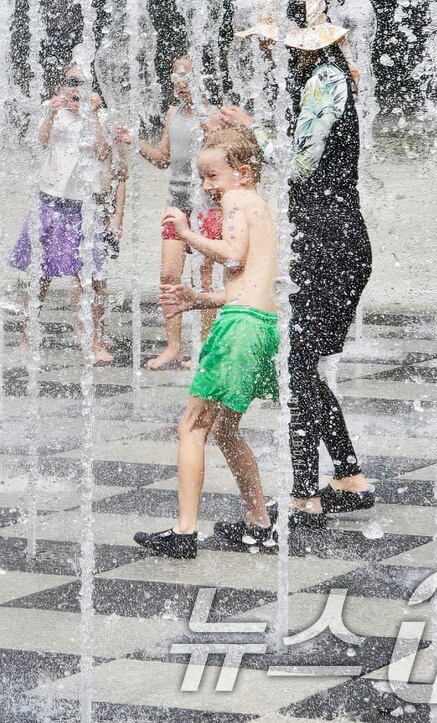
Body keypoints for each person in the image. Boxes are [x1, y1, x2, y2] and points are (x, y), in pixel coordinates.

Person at [224, 0, 375, 527]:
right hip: (327, 238)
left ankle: (306, 494)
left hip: (333, 241)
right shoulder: (316, 79)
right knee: (303, 364)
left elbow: (301, 164)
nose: (266, 50)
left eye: (272, 41)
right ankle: (348, 478)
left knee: (297, 365)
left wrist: (252, 130)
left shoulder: (326, 81)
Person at [134, 127, 279, 558]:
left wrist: (184, 233)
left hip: (239, 329)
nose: (206, 186)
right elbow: (249, 286)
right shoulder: (260, 207)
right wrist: (199, 299)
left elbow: (233, 254)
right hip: (261, 325)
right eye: (202, 177)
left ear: (243, 172)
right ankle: (258, 523)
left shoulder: (237, 199)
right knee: (226, 430)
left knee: (192, 426)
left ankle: (184, 532)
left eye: (212, 176)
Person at [9, 62, 126, 364]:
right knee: (39, 276)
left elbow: (103, 153)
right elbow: (41, 141)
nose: (77, 89)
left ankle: (95, 341)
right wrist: (51, 112)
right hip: (49, 202)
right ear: (60, 87)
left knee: (93, 279)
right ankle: (27, 338)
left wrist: (93, 116)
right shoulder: (52, 113)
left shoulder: (103, 117)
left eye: (83, 84)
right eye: (72, 82)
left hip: (84, 208)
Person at [116, 55, 222, 370]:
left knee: (204, 278)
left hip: (207, 206)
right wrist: (134, 143)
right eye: (177, 78)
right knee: (168, 276)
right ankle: (173, 346)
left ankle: (205, 349)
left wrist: (212, 136)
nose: (181, 85)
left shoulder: (215, 116)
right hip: (176, 204)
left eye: (187, 78)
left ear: (203, 80)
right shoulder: (171, 114)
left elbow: (223, 161)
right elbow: (163, 158)